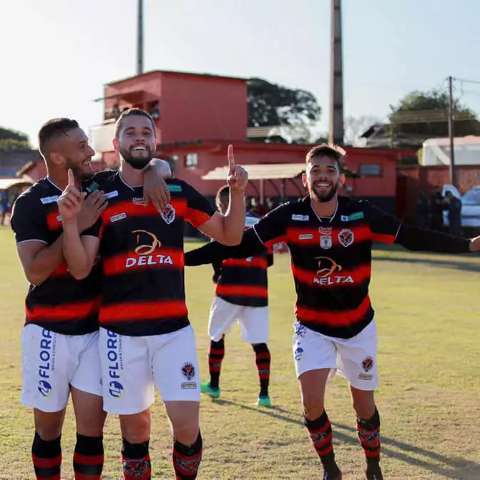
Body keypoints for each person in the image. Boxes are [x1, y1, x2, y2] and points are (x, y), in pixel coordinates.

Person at [185, 144, 480, 480]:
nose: (322, 176)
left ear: (341, 177)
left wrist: (467, 244)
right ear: (304, 177)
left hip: (358, 327)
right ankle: (331, 469)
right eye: (316, 170)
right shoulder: (289, 216)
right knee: (311, 405)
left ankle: (372, 464)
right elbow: (236, 243)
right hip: (312, 327)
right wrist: (178, 259)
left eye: (329, 170)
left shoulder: (361, 214)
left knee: (363, 407)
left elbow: (410, 236)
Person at [57, 108, 248, 480]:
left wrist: (237, 194)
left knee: (187, 428)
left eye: (147, 132)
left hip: (173, 331)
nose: (139, 137)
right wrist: (69, 223)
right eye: (130, 132)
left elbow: (230, 235)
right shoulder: (99, 192)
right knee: (135, 431)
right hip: (120, 335)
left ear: (155, 141)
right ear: (116, 144)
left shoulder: (176, 190)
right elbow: (81, 267)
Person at [10, 118, 108, 480]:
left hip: (96, 331)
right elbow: (34, 271)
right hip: (48, 332)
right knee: (48, 433)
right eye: (81, 146)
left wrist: (159, 172)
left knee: (92, 434)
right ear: (57, 155)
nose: (91, 152)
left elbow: (144, 168)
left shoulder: (100, 187)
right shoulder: (31, 203)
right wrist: (76, 223)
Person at [200, 185, 274, 407]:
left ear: (222, 204)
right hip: (257, 292)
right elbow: (269, 260)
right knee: (259, 342)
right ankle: (264, 395)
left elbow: (215, 258)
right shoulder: (263, 224)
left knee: (217, 336)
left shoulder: (222, 223)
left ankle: (214, 385)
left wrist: (219, 274)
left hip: (229, 290)